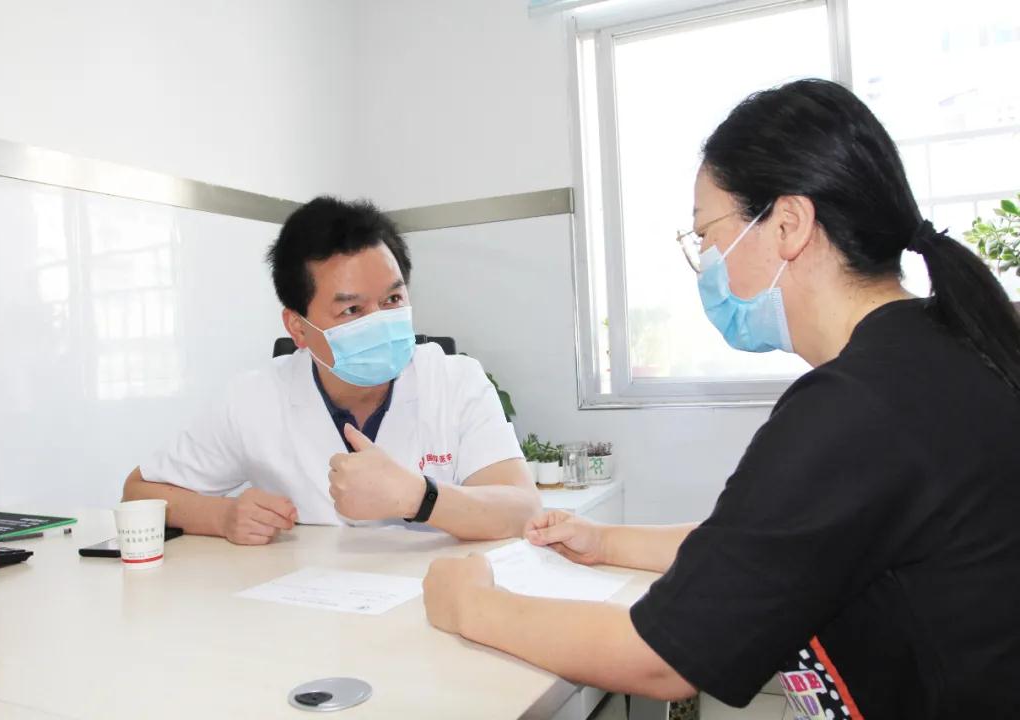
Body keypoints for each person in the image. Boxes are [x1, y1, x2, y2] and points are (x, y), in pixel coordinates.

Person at [422, 79, 1020, 718]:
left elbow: (660, 658)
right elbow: (767, 546)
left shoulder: (855, 408)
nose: (706, 261)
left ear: (788, 224)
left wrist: (472, 605)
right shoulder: (934, 356)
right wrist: (604, 542)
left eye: (706, 235)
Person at [123, 196, 539, 544]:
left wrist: (418, 497)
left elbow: (522, 510)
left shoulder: (456, 381)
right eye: (352, 310)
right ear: (298, 328)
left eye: (393, 300)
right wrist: (222, 517)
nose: (380, 321)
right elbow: (139, 492)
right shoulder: (253, 399)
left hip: (435, 605)